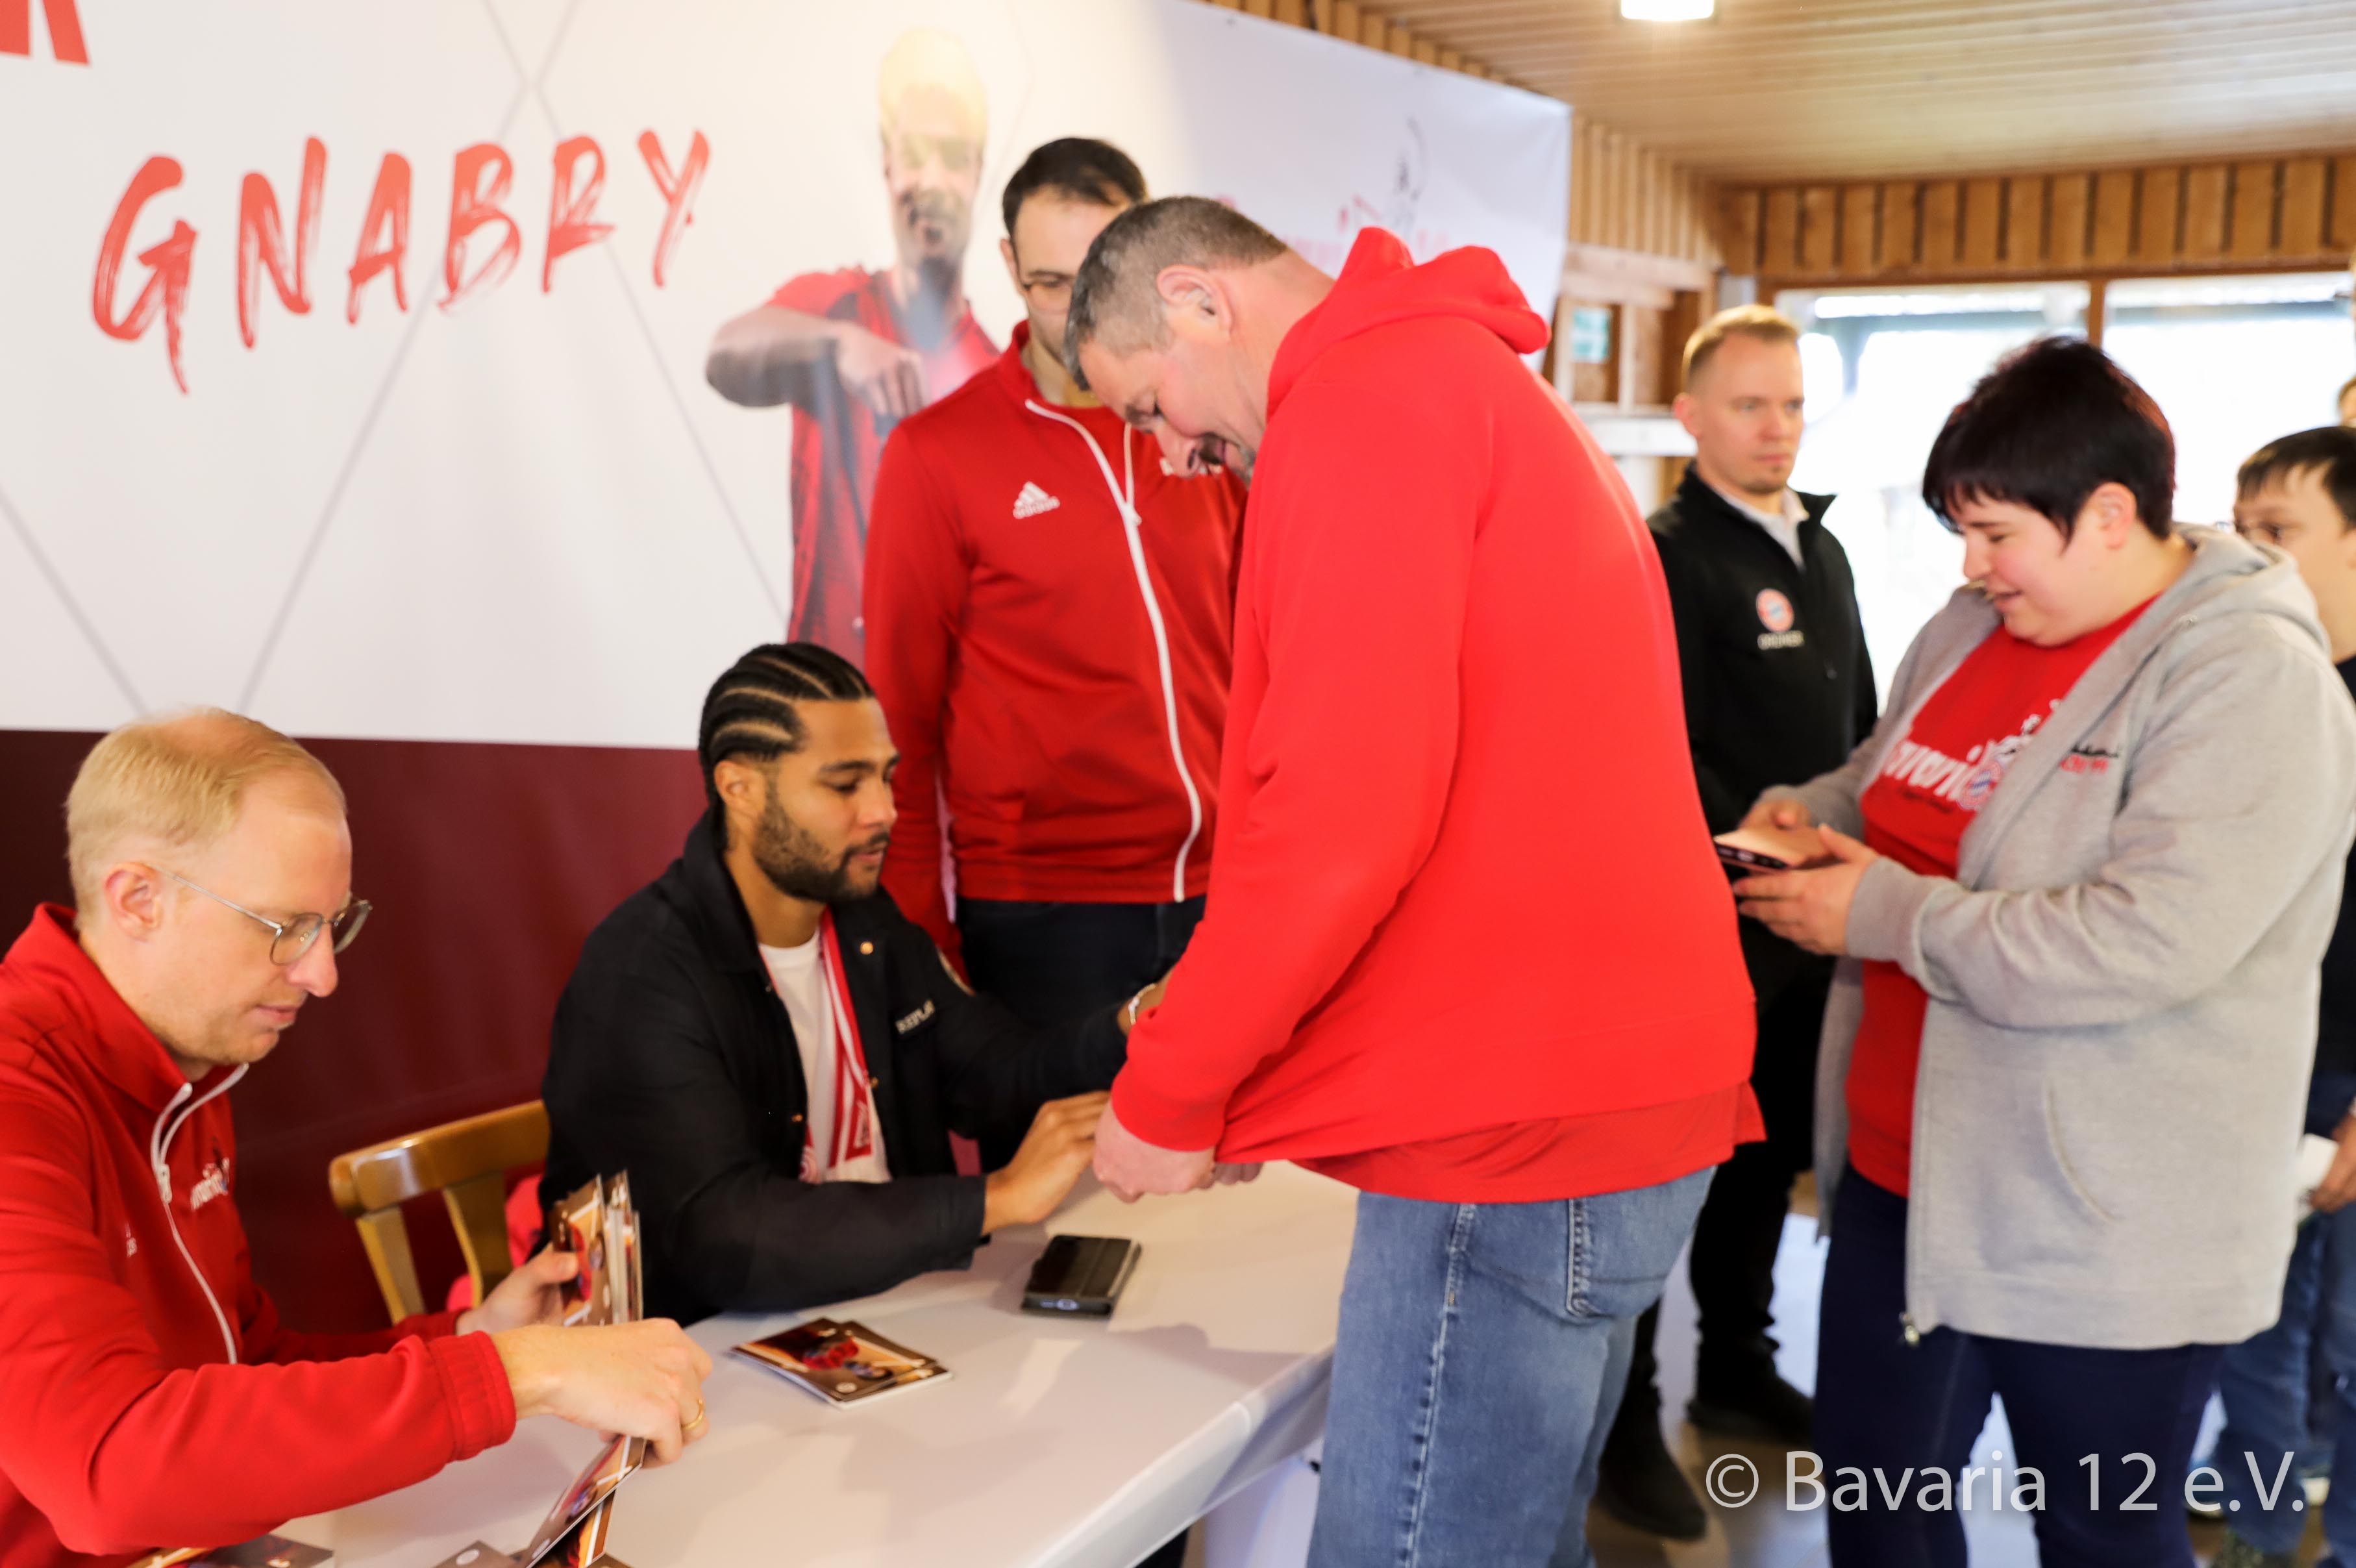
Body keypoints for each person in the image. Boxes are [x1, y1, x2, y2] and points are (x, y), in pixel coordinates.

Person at [1064, 197, 1759, 1567]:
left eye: (1149, 405)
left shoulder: (1359, 403)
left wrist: (1170, 1091)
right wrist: (1252, 1072)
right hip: (1590, 1093)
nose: (1172, 451)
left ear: (1197, 301)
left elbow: (1338, 823)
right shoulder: (1453, 377)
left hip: (1512, 1127)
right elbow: (1445, 809)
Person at [1732, 339, 2356, 1567]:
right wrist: (1814, 814)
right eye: (1960, 532)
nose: (1970, 566)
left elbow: (2144, 936)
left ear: (2109, 515)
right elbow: (1890, 774)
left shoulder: (2249, 676)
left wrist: (1881, 914)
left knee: (2096, 1534)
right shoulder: (1973, 623)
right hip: (1902, 1175)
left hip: (2099, 1217)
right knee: (1880, 1517)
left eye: (1995, 534)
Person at [0, 712, 711, 1568]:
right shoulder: (20, 1095)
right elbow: (110, 1472)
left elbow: (245, 1365)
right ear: (138, 900)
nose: (322, 972)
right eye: (285, 927)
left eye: (334, 924)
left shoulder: (187, 1067)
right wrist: (519, 1372)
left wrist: (472, 1338)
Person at [540, 643, 1161, 1325]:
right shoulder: (639, 973)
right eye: (844, 785)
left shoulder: (865, 920)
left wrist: (1137, 1021)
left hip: (892, 1310)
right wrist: (996, 1198)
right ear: (739, 790)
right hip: (699, 1357)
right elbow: (723, 1237)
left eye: (886, 778)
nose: (884, 810)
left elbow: (993, 1073)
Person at [863, 139, 1245, 1150]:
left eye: (1101, 278)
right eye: (1047, 283)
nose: (1076, 312)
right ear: (1007, 266)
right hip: (1042, 917)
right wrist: (922, 940)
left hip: (1226, 898)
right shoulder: (939, 455)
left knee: (1244, 1202)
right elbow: (897, 725)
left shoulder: (1209, 435)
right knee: (1065, 1223)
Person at [1599, 305, 1876, 1538]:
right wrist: (1760, 852)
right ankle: (1626, 1423)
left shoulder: (1821, 544)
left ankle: (1736, 1368)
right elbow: (1654, 743)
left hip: (1808, 918)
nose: (1777, 428)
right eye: (1751, 404)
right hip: (1706, 916)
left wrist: (1847, 833)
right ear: (1689, 417)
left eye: (1793, 404)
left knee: (1765, 1163)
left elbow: (1859, 724)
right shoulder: (1664, 557)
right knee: (1671, 1175)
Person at [705, 28, 998, 658]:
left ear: (978, 173)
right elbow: (725, 356)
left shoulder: (996, 378)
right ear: (887, 163)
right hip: (823, 695)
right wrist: (838, 347)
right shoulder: (837, 305)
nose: (931, 178)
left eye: (953, 157)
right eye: (914, 153)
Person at [2206, 426, 2356, 1568]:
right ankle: (2258, 1526)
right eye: (2240, 528)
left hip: (2347, 1074)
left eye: (2279, 530)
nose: (2252, 553)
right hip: (2261, 1059)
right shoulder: (2262, 684)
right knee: (2249, 1317)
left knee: (2350, 1342)